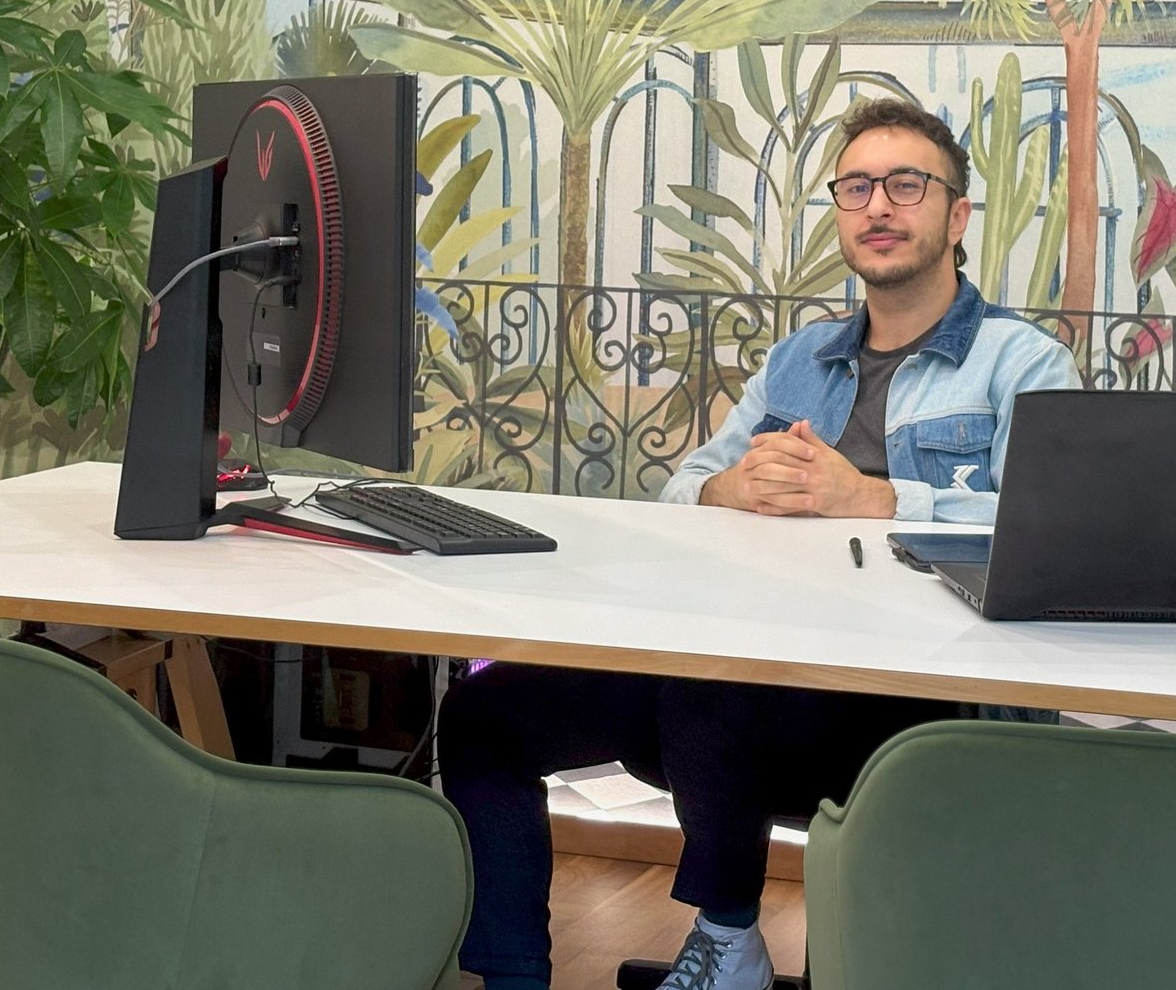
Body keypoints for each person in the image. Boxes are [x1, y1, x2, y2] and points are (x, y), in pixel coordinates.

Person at [440, 98, 1081, 990]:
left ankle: (729, 933)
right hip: (745, 688)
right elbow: (680, 486)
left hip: (918, 702)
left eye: (906, 184)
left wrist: (876, 499)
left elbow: (1046, 533)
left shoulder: (1023, 365)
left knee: (715, 675)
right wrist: (725, 486)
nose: (878, 207)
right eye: (856, 187)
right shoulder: (800, 361)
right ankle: (514, 979)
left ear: (956, 215)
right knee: (485, 717)